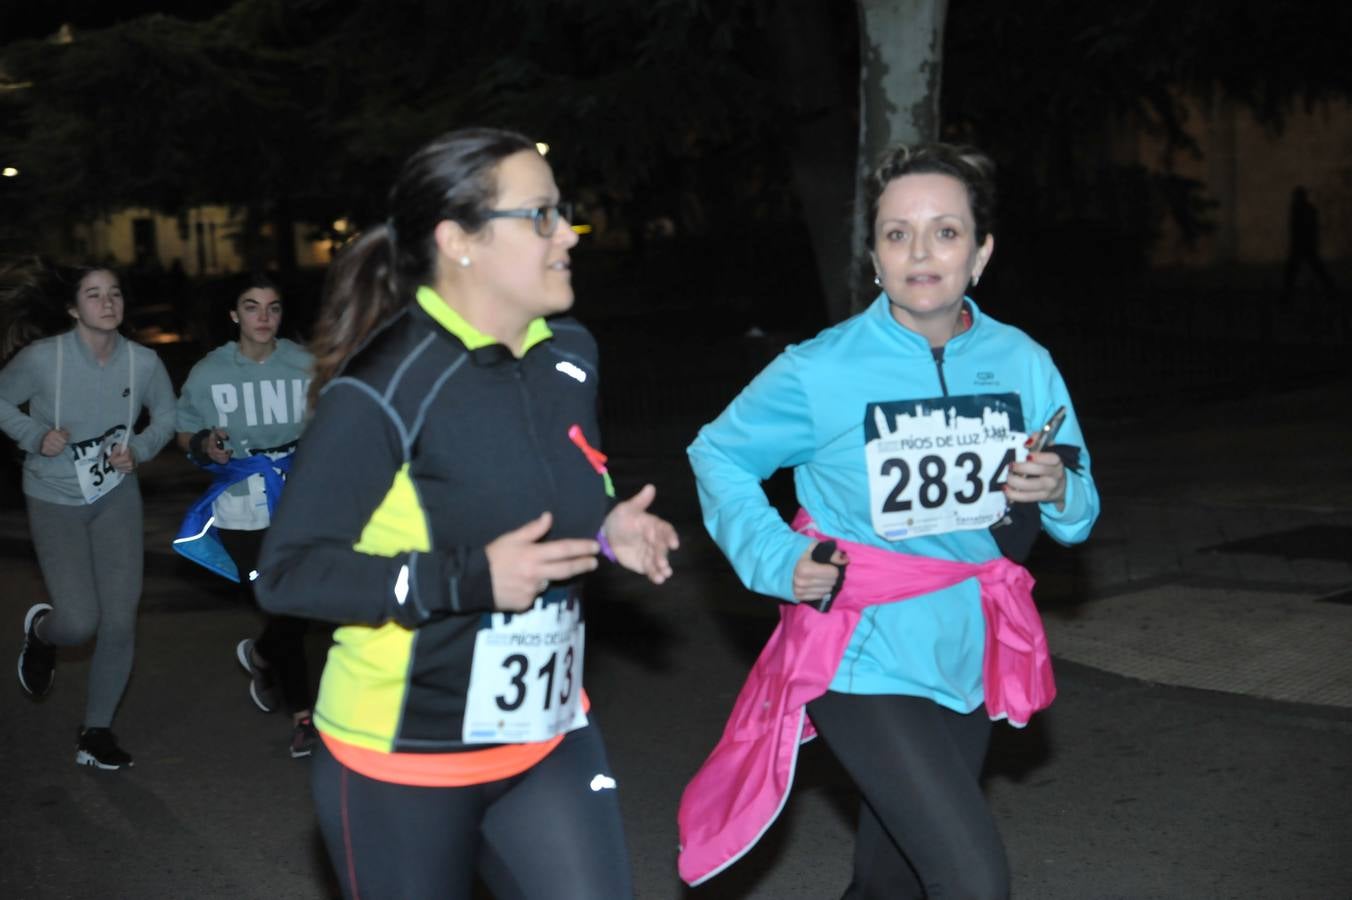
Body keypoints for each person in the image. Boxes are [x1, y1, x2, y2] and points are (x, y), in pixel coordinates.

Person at [252, 128, 679, 899]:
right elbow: (286, 575)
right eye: (541, 216)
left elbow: (561, 493)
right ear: (460, 242)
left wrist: (612, 528)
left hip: (548, 734)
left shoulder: (568, 354)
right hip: (402, 760)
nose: (567, 235)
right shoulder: (383, 389)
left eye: (564, 212)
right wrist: (466, 579)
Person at [680, 143, 1100, 897]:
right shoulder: (821, 369)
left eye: (945, 231)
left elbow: (1079, 508)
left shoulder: (1024, 362)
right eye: (896, 233)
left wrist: (1058, 485)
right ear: (873, 255)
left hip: (968, 645)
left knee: (891, 882)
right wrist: (779, 559)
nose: (920, 252)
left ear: (982, 251)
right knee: (972, 880)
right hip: (857, 643)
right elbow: (718, 455)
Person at [1, 261, 176, 770]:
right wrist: (35, 436)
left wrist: (138, 449)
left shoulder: (142, 363)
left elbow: (165, 415)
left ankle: (95, 733)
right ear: (74, 308)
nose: (107, 303)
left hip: (115, 496)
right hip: (54, 497)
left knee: (120, 622)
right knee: (79, 621)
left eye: (114, 293)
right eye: (94, 295)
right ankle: (42, 634)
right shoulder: (42, 359)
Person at [173, 273, 317, 758]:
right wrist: (202, 445)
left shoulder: (305, 365)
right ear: (234, 315)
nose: (263, 317)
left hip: (298, 496)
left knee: (294, 604)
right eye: (252, 307)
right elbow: (185, 431)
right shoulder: (210, 373)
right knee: (280, 604)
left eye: (273, 308)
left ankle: (299, 711)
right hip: (240, 506)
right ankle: (269, 660)